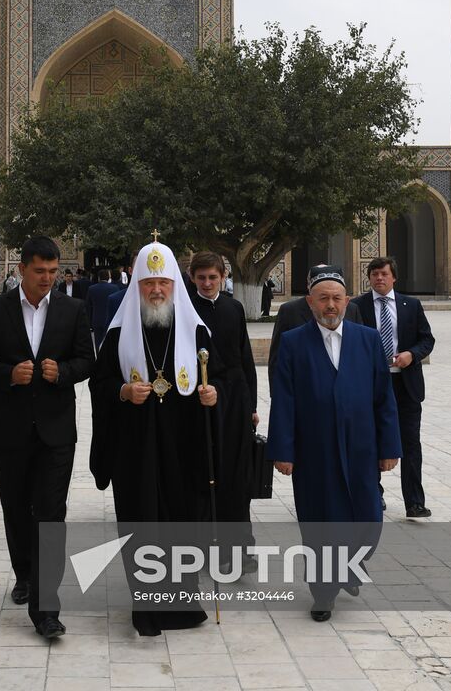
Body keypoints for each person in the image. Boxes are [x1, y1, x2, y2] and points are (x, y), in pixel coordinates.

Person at [89, 239, 220, 637]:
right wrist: (123, 392)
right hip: (136, 447)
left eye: (163, 282)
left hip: (183, 446)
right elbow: (99, 382)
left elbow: (220, 379)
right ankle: (146, 606)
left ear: (175, 285)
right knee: (142, 522)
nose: (157, 290)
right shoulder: (118, 333)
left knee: (183, 523)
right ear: (137, 287)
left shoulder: (196, 330)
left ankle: (183, 603)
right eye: (149, 284)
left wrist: (215, 395)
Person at [0, 235, 94, 640]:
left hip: (57, 431)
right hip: (11, 430)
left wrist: (66, 373)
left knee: (51, 515)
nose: (47, 279)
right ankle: (24, 573)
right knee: (17, 509)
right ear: (21, 269)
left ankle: (47, 609)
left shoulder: (73, 310)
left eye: (53, 272)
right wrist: (8, 375)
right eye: (40, 271)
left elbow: (87, 360)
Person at [267, 267, 401, 621]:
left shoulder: (368, 339)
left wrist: (390, 447)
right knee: (319, 524)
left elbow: (383, 397)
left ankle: (350, 567)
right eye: (323, 298)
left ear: (347, 301)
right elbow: (284, 398)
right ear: (310, 302)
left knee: (369, 519)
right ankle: (323, 593)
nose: (330, 305)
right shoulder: (295, 342)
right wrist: (283, 450)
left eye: (336, 298)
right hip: (315, 450)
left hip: (361, 447)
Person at [189, 251, 257, 568]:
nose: (206, 283)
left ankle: (240, 548)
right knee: (203, 472)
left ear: (222, 277)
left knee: (235, 475)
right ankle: (203, 547)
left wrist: (251, 405)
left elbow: (244, 360)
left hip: (234, 400)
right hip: (200, 401)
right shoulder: (185, 310)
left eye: (212, 277)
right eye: (201, 278)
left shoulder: (234, 307)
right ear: (192, 278)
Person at [353, 256, 435, 518]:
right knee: (371, 439)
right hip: (373, 384)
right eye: (374, 274)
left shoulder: (410, 305)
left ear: (394, 277)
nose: (379, 278)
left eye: (384, 274)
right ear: (369, 278)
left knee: (410, 443)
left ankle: (414, 501)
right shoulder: (358, 306)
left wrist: (412, 354)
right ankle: (374, 495)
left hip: (406, 383)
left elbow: (427, 339)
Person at [268, 264, 363, 393]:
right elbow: (277, 358)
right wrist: (277, 395)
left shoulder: (352, 309)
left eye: (336, 297)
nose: (331, 305)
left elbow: (359, 350)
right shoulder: (290, 310)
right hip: (305, 391)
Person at [85, 268, 118, 346]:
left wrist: (89, 322)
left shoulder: (92, 289)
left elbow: (88, 306)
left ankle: (99, 357)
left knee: (98, 342)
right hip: (110, 320)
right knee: (110, 343)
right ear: (108, 277)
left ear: (99, 277)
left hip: (97, 320)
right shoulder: (114, 288)